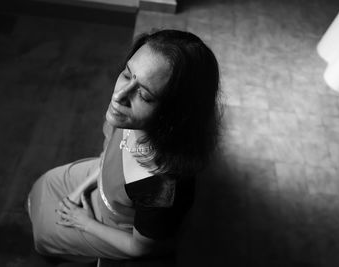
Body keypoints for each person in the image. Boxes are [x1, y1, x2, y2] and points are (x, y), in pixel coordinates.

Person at [27, 29, 221, 261]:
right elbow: (107, 155)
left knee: (48, 230)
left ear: (176, 114)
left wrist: (84, 222)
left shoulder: (161, 187)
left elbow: (141, 248)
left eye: (145, 96)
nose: (119, 96)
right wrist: (81, 189)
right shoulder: (127, 117)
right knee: (46, 184)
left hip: (117, 228)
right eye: (128, 75)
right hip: (101, 179)